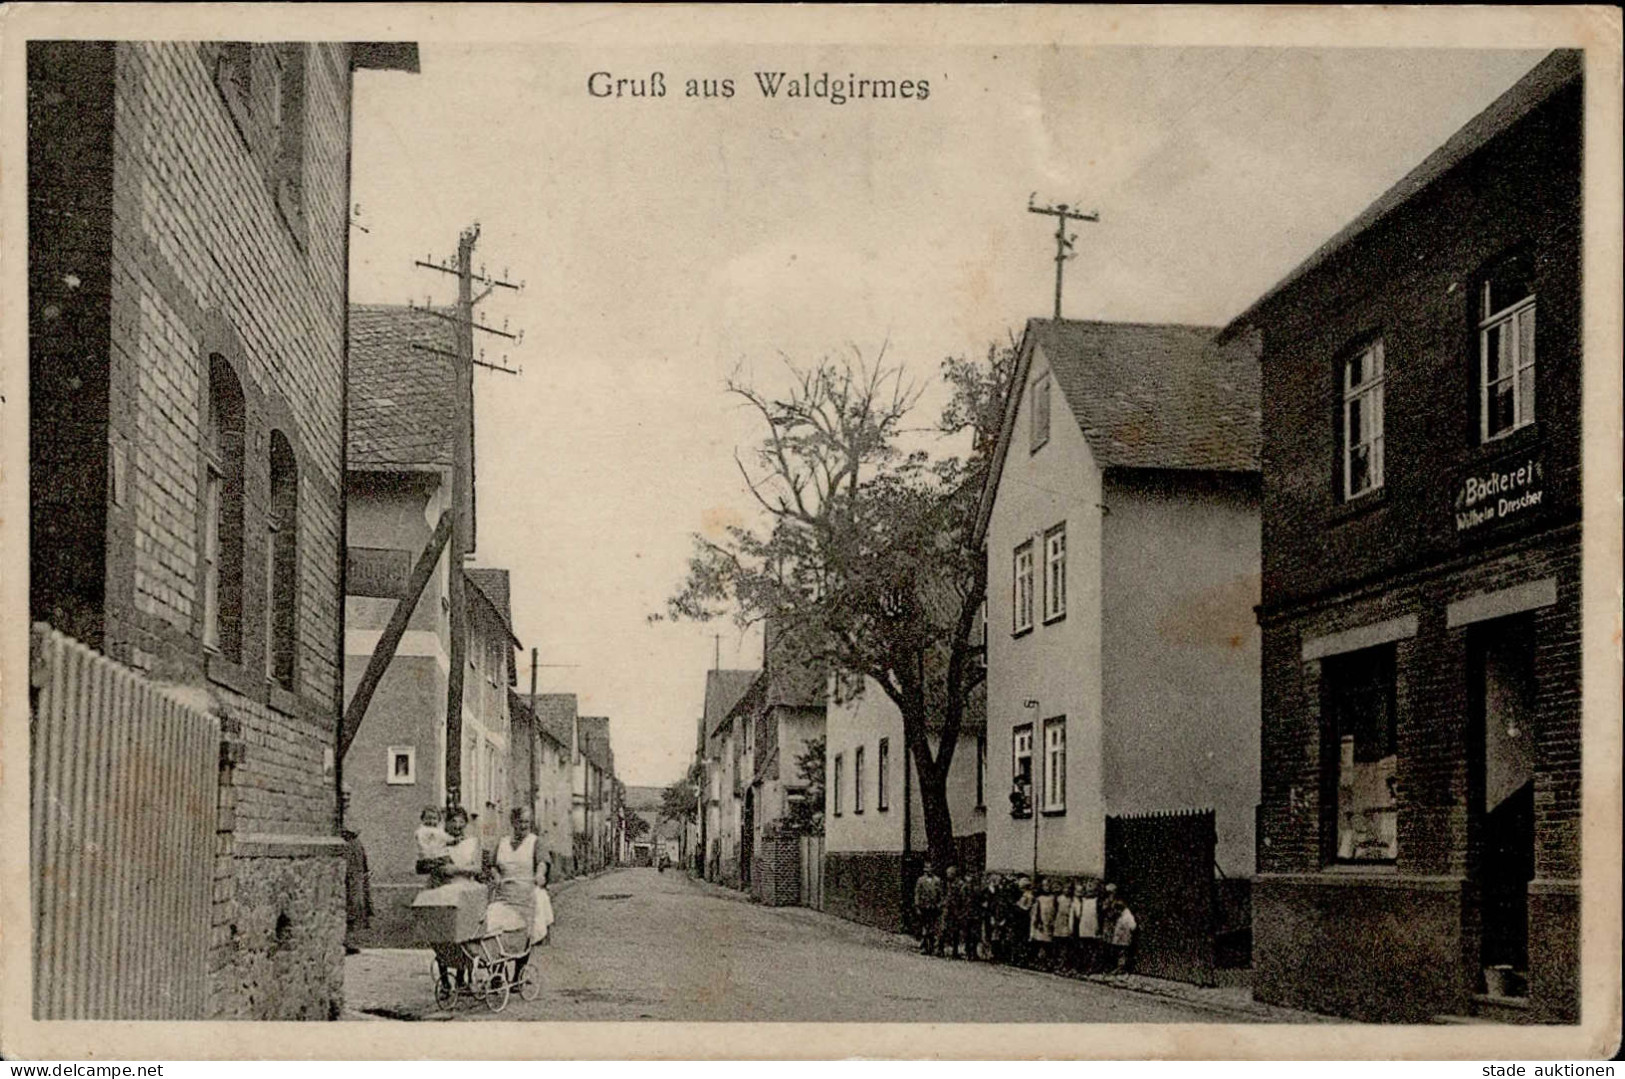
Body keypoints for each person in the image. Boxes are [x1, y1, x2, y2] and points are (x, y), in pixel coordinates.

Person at [340, 789, 372, 955]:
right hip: (345, 855)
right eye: (343, 794)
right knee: (347, 895)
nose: (346, 798)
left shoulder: (350, 814)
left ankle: (351, 939)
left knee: (357, 898)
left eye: (348, 795)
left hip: (355, 856)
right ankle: (343, 940)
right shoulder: (334, 815)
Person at [912, 865, 944, 956]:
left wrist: (939, 905)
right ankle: (924, 947)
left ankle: (933, 947)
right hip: (924, 907)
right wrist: (917, 906)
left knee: (933, 928)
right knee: (925, 928)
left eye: (930, 868)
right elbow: (917, 894)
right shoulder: (921, 880)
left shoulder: (937, 881)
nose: (928, 870)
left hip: (933, 908)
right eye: (926, 868)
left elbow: (940, 894)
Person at [1072, 880, 1100, 974]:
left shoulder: (1097, 901)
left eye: (1092, 890)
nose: (1089, 892)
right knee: (1083, 948)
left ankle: (1091, 967)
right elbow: (1078, 914)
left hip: (1093, 927)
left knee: (1092, 949)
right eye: (1088, 890)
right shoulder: (1082, 901)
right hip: (1083, 927)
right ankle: (1082, 966)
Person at [415, 805, 451, 877]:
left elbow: (446, 838)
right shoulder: (423, 831)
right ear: (422, 819)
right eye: (428, 818)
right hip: (428, 857)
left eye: (434, 818)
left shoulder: (438, 830)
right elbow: (423, 845)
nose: (431, 821)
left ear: (438, 820)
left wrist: (452, 840)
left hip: (438, 856)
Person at [1051, 877, 1075, 971]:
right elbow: (1054, 910)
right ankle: (1056, 963)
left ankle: (1064, 964)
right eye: (1065, 888)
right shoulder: (1059, 898)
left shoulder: (1072, 900)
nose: (1067, 890)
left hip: (1067, 922)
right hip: (1058, 922)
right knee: (1057, 943)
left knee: (1065, 945)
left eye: (1069, 888)